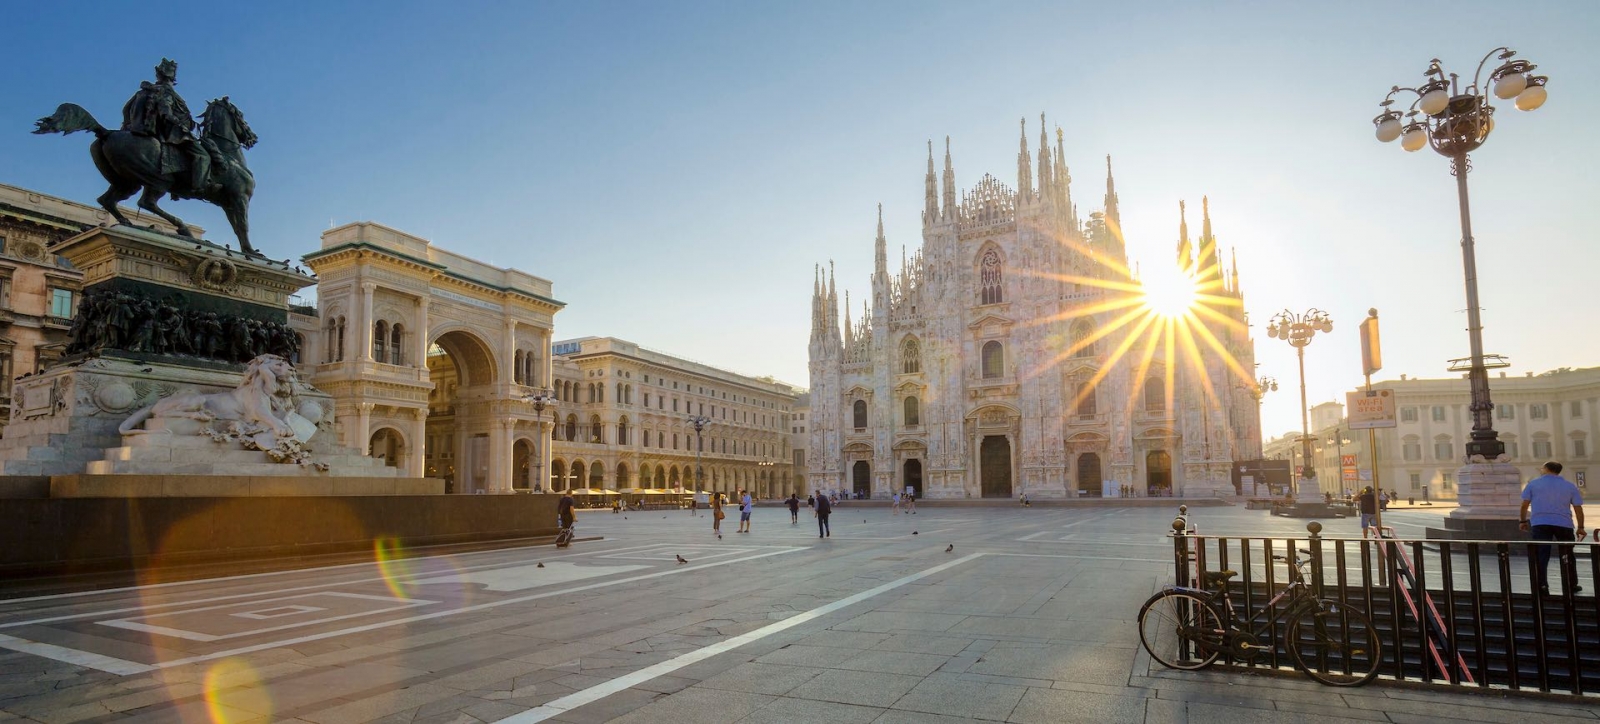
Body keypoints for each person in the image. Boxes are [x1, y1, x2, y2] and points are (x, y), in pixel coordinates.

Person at [1520, 461, 1587, 595]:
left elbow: (1524, 505)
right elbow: (1578, 508)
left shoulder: (1533, 484)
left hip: (1540, 523)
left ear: (1545, 469)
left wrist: (1523, 521)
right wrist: (1580, 527)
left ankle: (1542, 586)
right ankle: (1571, 584)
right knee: (1567, 554)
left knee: (1541, 555)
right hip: (1564, 523)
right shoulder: (1569, 486)